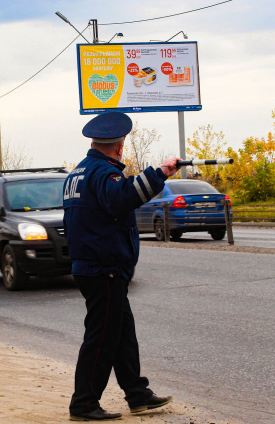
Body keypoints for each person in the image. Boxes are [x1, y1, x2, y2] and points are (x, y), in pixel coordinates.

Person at [63, 112, 180, 421]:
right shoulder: (104, 173)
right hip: (104, 267)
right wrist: (159, 173)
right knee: (102, 338)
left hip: (94, 264)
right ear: (118, 147)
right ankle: (84, 404)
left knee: (122, 334)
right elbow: (122, 198)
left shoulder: (78, 172)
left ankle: (137, 394)